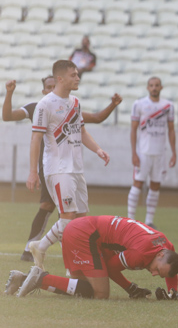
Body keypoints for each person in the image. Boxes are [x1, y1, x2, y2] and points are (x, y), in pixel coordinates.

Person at [3, 77, 122, 261]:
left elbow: (96, 119)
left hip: (71, 167)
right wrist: (9, 93)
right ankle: (35, 248)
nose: (52, 89)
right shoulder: (39, 106)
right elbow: (7, 116)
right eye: (48, 87)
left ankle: (67, 251)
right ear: (44, 91)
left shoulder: (71, 105)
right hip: (51, 166)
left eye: (53, 86)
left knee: (68, 213)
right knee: (54, 208)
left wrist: (112, 105)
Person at [26, 60, 111, 268]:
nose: (78, 78)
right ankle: (42, 248)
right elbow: (36, 139)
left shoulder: (75, 102)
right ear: (60, 78)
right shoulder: (45, 104)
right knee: (68, 217)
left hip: (76, 169)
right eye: (74, 75)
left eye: (77, 74)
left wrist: (98, 149)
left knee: (81, 220)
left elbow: (81, 132)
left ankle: (74, 264)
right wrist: (33, 172)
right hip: (58, 169)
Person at [6, 215, 178, 300]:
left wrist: (172, 291)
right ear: (160, 254)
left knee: (84, 290)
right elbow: (110, 267)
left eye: (160, 275)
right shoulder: (140, 254)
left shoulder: (166, 246)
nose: (154, 274)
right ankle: (40, 278)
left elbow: (172, 267)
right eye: (158, 270)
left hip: (81, 230)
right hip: (84, 235)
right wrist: (131, 288)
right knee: (101, 293)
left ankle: (22, 279)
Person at [127, 76, 177, 227]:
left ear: (161, 87)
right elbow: (133, 129)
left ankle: (149, 221)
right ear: (147, 88)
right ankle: (130, 219)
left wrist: (174, 152)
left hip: (160, 153)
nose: (154, 88)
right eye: (151, 85)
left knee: (155, 185)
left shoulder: (168, 105)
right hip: (143, 152)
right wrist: (134, 152)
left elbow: (171, 130)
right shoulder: (139, 104)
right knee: (137, 184)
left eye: (157, 85)